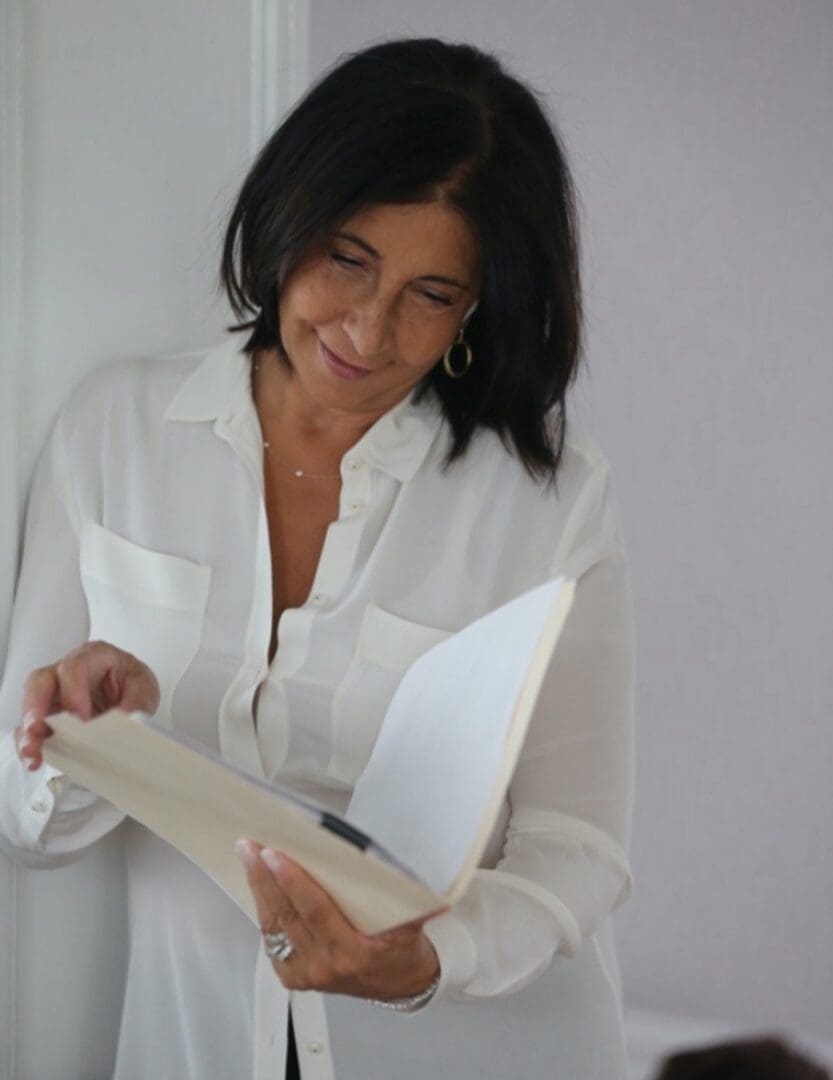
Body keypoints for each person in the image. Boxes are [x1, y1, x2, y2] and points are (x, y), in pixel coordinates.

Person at [0, 37, 635, 1080]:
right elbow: (29, 831)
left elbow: (581, 847)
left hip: (478, 1050)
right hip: (198, 1047)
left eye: (431, 294)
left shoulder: (546, 500)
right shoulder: (113, 433)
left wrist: (429, 959)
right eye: (348, 257)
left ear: (478, 310)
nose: (367, 329)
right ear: (291, 212)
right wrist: (81, 734)